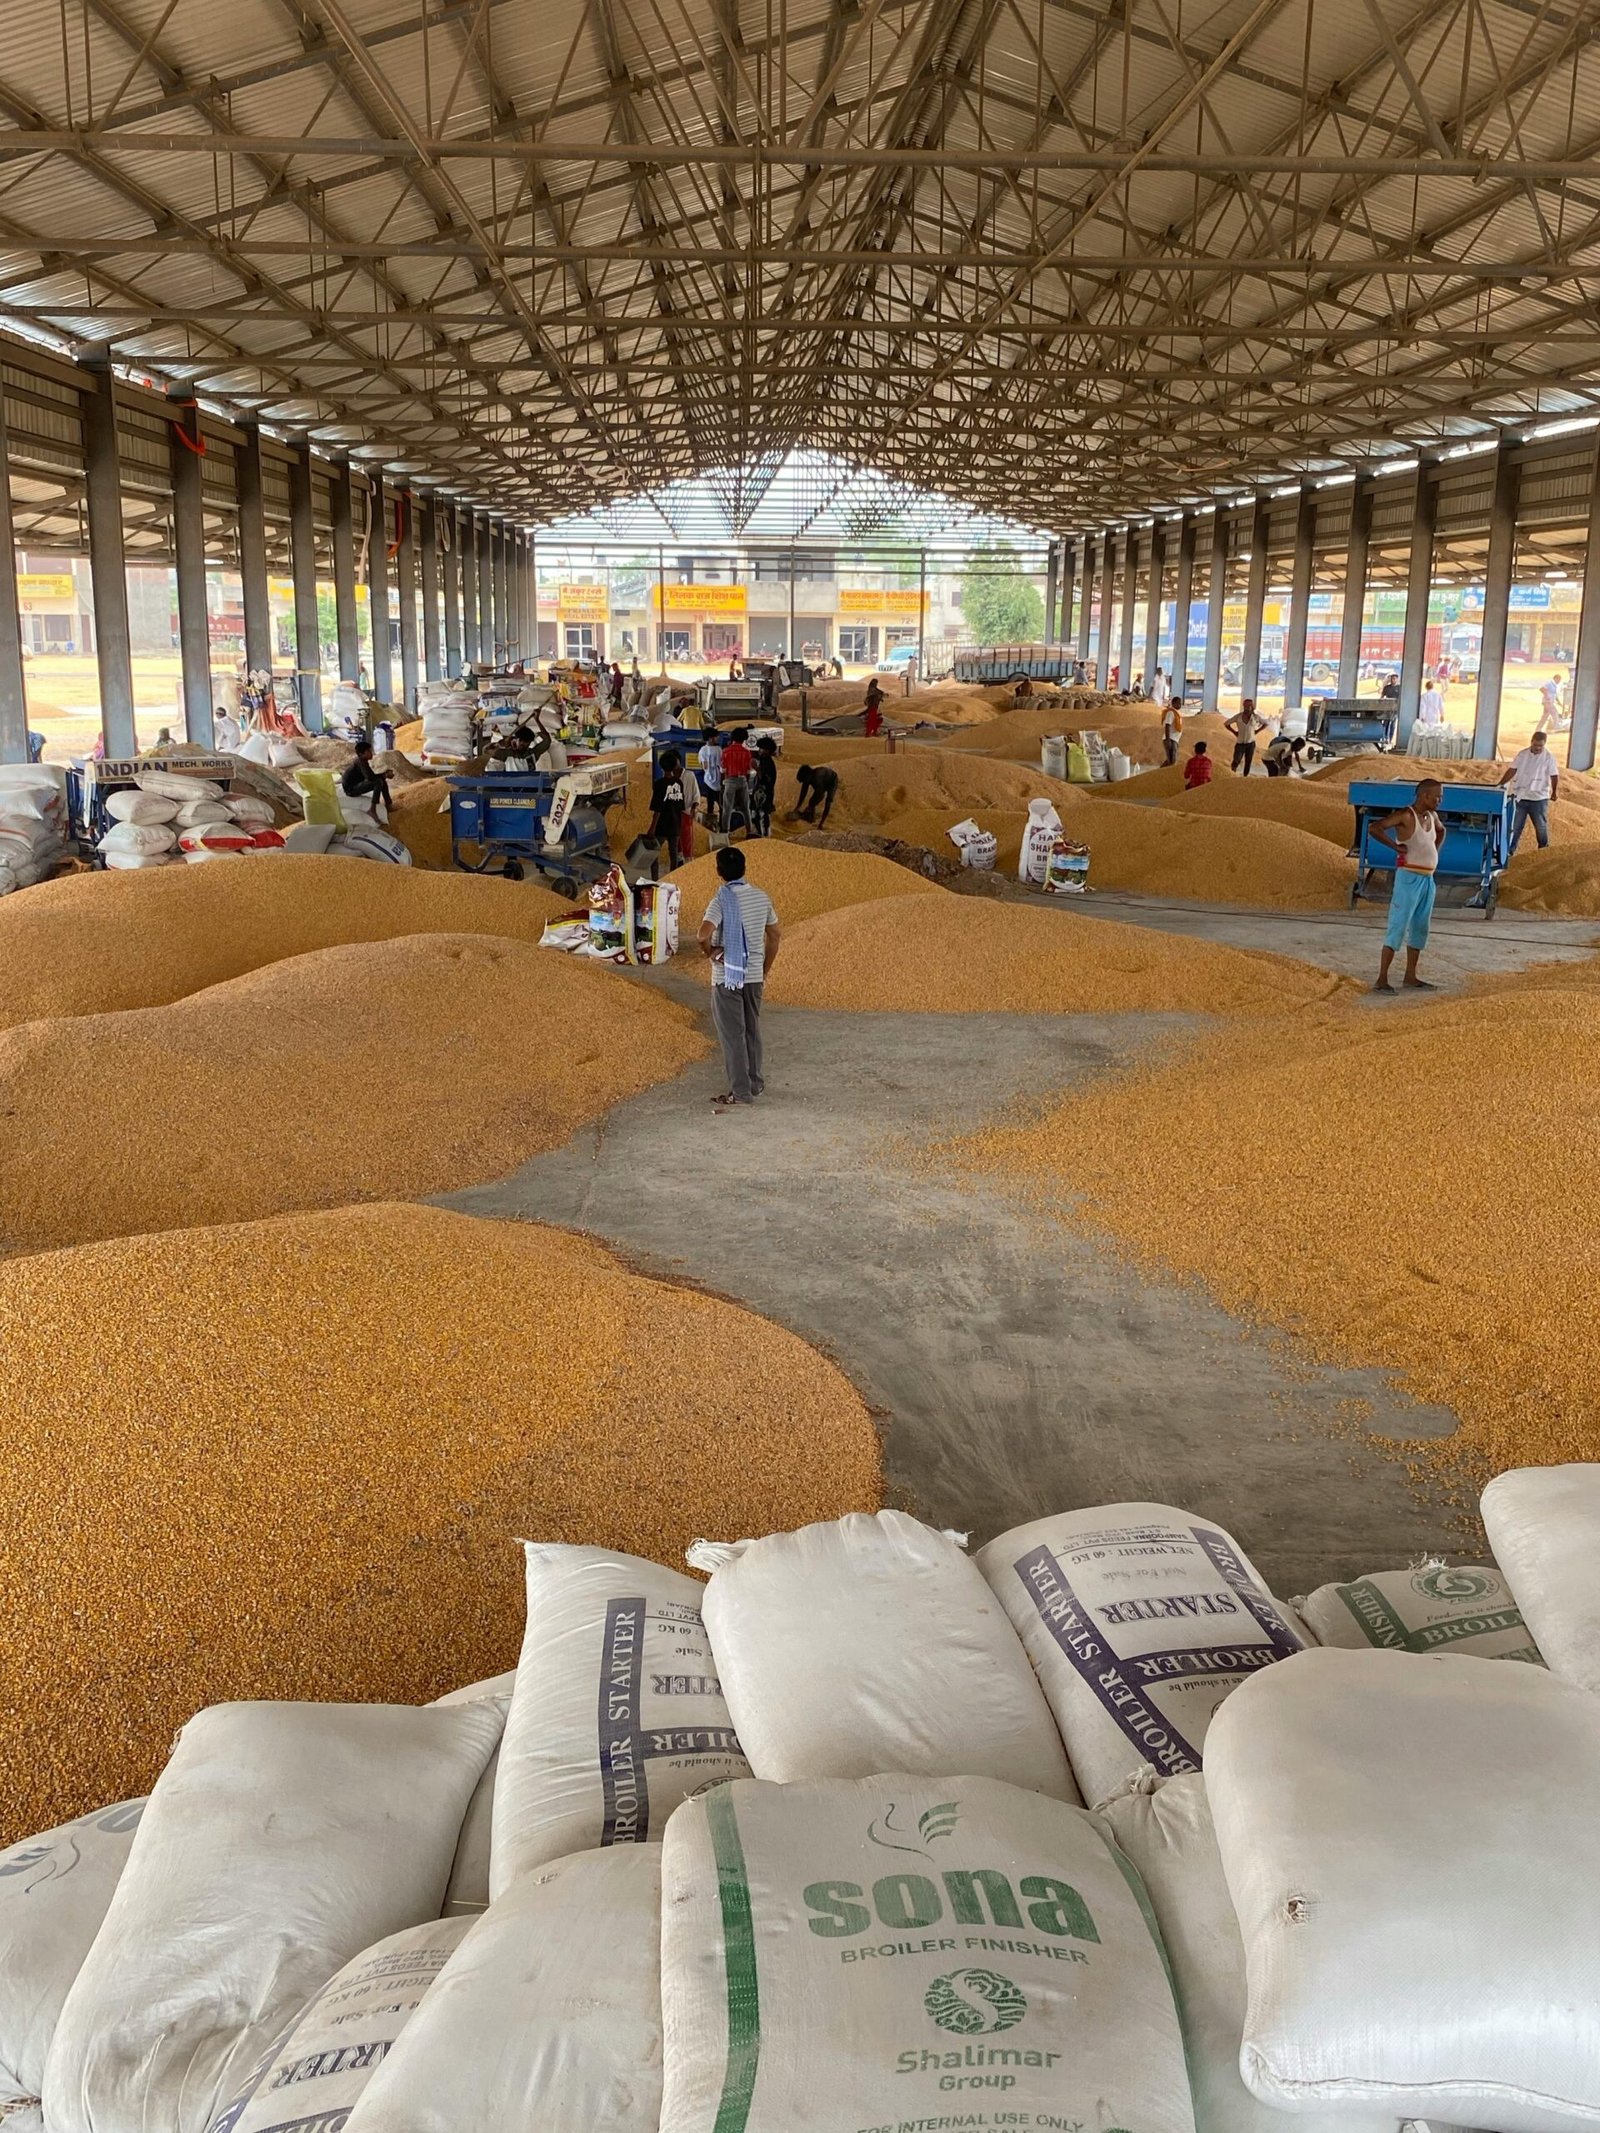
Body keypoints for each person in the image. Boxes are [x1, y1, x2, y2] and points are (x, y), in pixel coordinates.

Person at [699, 845, 780, 1110]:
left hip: (727, 977)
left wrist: (711, 952)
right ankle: (755, 1082)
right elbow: (775, 935)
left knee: (732, 1035)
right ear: (744, 869)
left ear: (719, 872)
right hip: (754, 974)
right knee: (751, 1029)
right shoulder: (761, 897)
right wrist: (765, 968)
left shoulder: (721, 900)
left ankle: (741, 1091)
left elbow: (702, 934)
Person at [1370, 776, 1444, 993]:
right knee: (1398, 926)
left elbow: (1441, 831)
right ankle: (1381, 979)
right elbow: (1375, 828)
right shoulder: (1405, 815)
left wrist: (1434, 852)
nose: (1440, 801)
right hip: (1408, 878)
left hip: (1427, 879)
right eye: (1437, 797)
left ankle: (1410, 976)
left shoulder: (1432, 816)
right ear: (1424, 795)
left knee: (1421, 928)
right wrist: (1396, 847)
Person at [1500, 727, 1560, 853]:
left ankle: (1543, 850)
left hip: (1538, 798)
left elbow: (1554, 775)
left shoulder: (1548, 757)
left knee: (1540, 826)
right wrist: (1500, 783)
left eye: (1541, 746)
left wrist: (1554, 792)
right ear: (1531, 741)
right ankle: (1509, 851)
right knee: (1515, 826)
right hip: (1520, 796)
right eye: (1536, 745)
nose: (1538, 748)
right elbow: (1512, 770)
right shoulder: (1522, 754)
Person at [649, 748, 688, 867]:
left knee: (654, 854)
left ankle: (655, 878)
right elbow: (681, 806)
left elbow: (658, 809)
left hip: (661, 825)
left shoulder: (659, 784)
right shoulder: (679, 783)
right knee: (673, 853)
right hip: (675, 823)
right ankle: (673, 876)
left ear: (661, 766)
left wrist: (652, 828)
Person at [341, 736, 392, 820]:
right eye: (368, 751)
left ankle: (388, 804)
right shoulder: (360, 762)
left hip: (355, 784)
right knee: (378, 782)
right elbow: (370, 777)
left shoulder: (363, 761)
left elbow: (371, 775)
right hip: (351, 789)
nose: (371, 753)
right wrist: (385, 775)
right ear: (361, 754)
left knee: (381, 780)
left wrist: (384, 775)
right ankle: (372, 810)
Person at [720, 726, 754, 836]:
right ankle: (749, 831)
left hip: (729, 781)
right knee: (746, 808)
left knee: (727, 808)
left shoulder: (725, 751)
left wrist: (723, 784)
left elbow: (722, 770)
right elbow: (748, 772)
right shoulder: (747, 752)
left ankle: (725, 831)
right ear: (744, 739)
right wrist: (746, 783)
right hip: (743, 780)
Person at [751, 736, 779, 837]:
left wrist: (756, 768)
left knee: (762, 815)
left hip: (764, 793)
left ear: (767, 750)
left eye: (761, 748)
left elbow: (764, 778)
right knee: (759, 814)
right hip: (763, 792)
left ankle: (763, 835)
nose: (759, 750)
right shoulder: (764, 759)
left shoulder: (767, 762)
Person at [1228, 698, 1263, 776]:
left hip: (1251, 743)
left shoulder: (1255, 717)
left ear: (1252, 707)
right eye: (1245, 706)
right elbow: (1226, 724)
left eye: (1248, 706)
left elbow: (1265, 724)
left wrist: (1257, 731)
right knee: (1236, 760)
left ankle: (1245, 776)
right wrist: (1234, 732)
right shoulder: (1238, 716)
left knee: (1248, 761)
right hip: (1240, 743)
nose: (1246, 708)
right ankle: (1232, 774)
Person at [698, 728, 724, 828]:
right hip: (719, 780)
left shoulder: (702, 750)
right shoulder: (718, 750)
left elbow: (704, 766)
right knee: (721, 803)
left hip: (708, 780)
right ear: (710, 738)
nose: (717, 738)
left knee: (710, 803)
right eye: (715, 736)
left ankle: (710, 823)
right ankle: (721, 824)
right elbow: (721, 765)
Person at [1161, 694, 1184, 766]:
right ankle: (1158, 774)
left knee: (1170, 760)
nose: (1180, 704)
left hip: (1174, 739)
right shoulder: (1171, 713)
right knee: (1172, 760)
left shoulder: (1176, 713)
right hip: (1170, 738)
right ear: (1173, 703)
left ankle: (1158, 774)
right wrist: (1168, 740)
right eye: (1178, 703)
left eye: (1180, 703)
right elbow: (1167, 725)